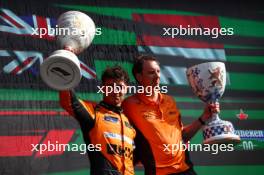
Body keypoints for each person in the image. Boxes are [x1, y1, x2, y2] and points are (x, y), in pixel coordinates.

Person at [122, 55, 219, 175]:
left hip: (185, 169)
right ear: (139, 77)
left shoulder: (169, 101)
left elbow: (182, 136)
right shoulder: (129, 105)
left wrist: (204, 117)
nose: (157, 76)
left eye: (158, 71)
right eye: (151, 72)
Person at [59, 66, 136, 175]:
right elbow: (68, 101)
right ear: (103, 88)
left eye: (119, 87)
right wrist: (66, 66)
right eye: (110, 86)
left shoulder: (129, 119)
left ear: (126, 88)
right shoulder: (92, 112)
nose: (115, 91)